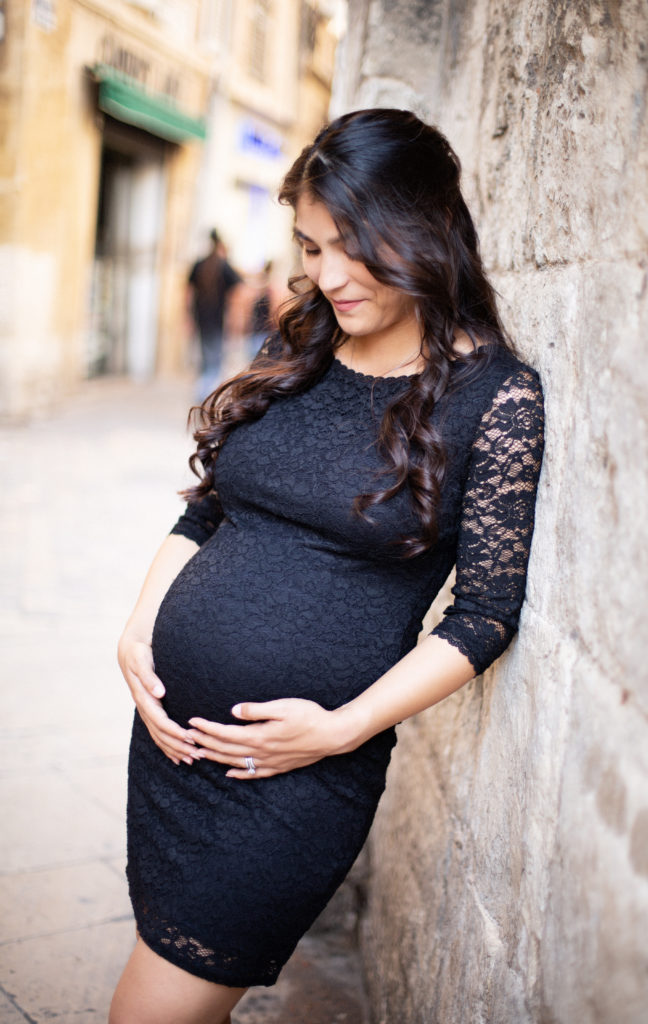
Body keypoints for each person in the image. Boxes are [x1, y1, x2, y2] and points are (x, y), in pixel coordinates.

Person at [110, 108, 545, 1024]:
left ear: (428, 229)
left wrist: (340, 730)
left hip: (296, 776)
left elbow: (485, 615)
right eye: (310, 246)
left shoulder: (495, 398)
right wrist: (138, 630)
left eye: (355, 246)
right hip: (169, 745)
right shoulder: (300, 342)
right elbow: (211, 507)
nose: (329, 274)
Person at [187, 229, 242, 401]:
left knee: (205, 360)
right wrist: (235, 317)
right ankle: (207, 393)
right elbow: (239, 290)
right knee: (215, 361)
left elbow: (187, 293)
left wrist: (188, 317)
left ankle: (202, 392)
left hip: (201, 319)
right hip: (218, 321)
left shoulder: (199, 265)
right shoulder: (223, 266)